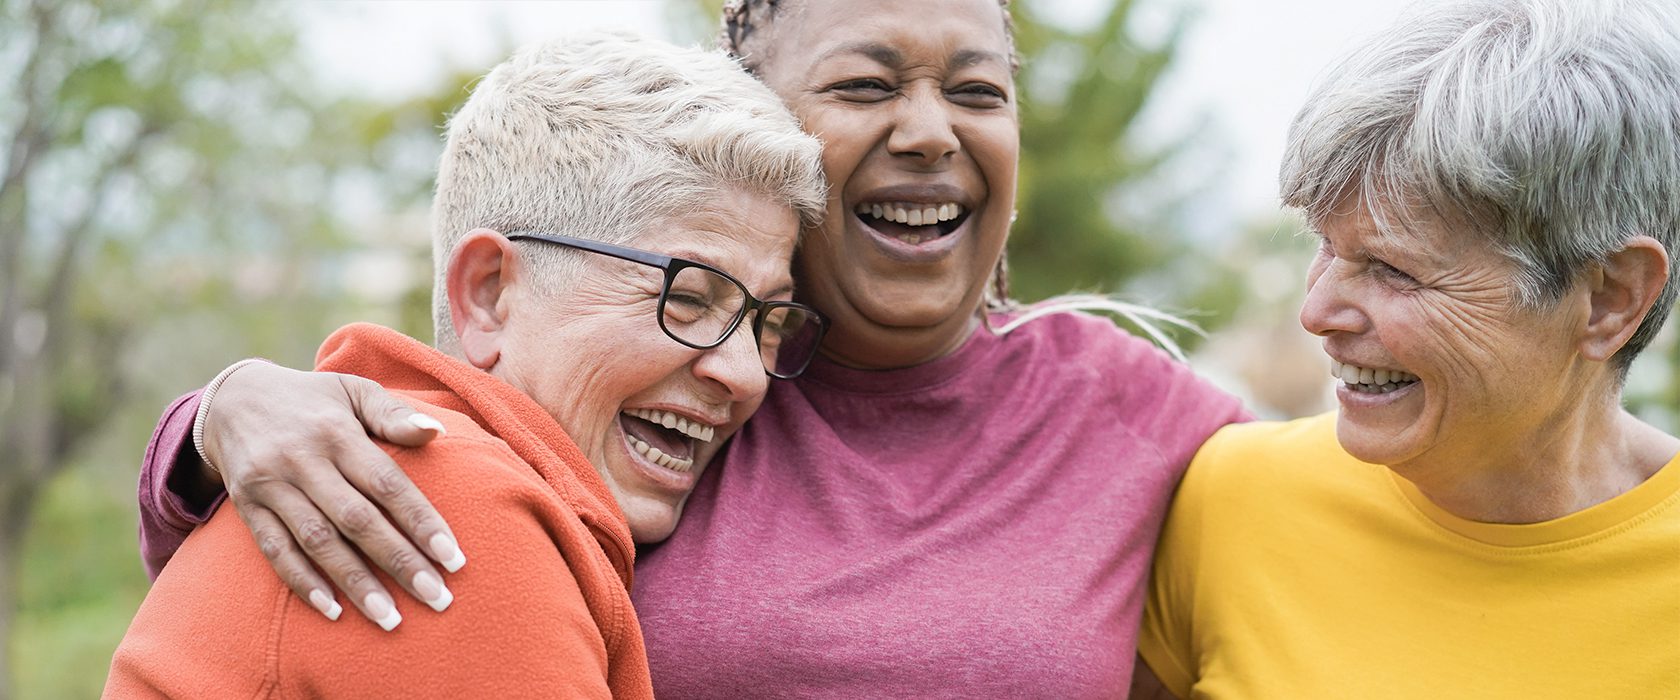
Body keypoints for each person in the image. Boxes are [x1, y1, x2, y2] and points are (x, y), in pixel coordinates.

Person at [132, 0, 1248, 695]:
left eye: (978, 90)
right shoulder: (634, 405)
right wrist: (216, 418)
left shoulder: (1131, 411)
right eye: (865, 83)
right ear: (768, 131)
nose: (928, 128)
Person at [105, 31, 827, 698]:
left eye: (768, 322)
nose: (745, 374)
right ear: (488, 294)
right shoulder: (445, 511)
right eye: (691, 297)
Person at [1132, 0, 1680, 697]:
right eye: (1325, 247)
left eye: (1393, 269)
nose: (1316, 312)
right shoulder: (1229, 500)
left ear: (1610, 298)